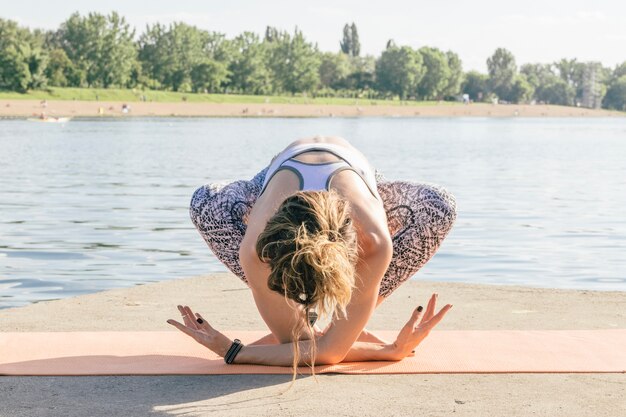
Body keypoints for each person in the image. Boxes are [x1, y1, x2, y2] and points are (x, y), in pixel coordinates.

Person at [167, 135, 457, 370]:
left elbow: (325, 353)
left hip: (358, 174)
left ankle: (343, 318)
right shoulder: (257, 249)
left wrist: (233, 352)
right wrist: (386, 350)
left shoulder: (373, 242)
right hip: (272, 177)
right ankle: (333, 321)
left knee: (440, 206)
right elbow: (303, 345)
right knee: (206, 204)